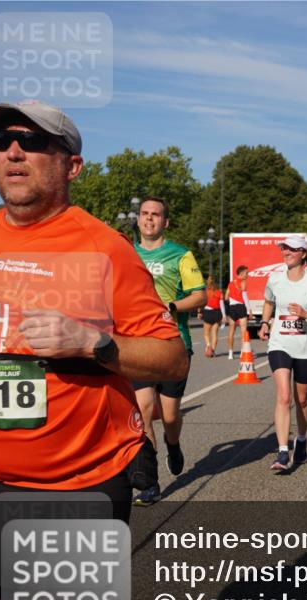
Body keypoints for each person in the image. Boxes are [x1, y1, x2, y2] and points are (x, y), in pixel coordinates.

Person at [0, 99, 187, 600]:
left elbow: (172, 360)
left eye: (33, 141)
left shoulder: (105, 249)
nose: (13, 150)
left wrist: (93, 342)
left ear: (72, 166)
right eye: (1, 141)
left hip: (77, 483)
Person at [131, 196, 207, 506]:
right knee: (143, 410)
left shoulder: (181, 255)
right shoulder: (126, 253)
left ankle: (172, 444)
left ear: (166, 222)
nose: (149, 219)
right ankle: (149, 483)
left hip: (174, 344)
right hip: (138, 344)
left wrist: (171, 306)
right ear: (138, 219)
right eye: (145, 214)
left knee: (171, 415)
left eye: (156, 215)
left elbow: (199, 296)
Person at [258, 236, 307, 471]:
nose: (285, 252)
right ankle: (281, 451)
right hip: (280, 344)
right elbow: (268, 301)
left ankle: (300, 438)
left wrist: (305, 314)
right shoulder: (275, 279)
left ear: (303, 254)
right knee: (284, 396)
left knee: (302, 399)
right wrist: (265, 322)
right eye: (284, 248)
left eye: (291, 249)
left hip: (306, 347)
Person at [225, 265, 250, 360]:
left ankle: (230, 353)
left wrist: (232, 300)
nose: (247, 275)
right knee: (243, 330)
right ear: (242, 273)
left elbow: (226, 297)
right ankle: (242, 352)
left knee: (231, 331)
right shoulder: (243, 282)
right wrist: (249, 310)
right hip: (241, 307)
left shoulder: (231, 283)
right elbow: (245, 297)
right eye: (246, 273)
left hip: (232, 307)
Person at [202, 281, 227, 358]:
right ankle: (213, 350)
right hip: (217, 313)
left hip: (208, 312)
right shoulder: (219, 292)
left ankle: (208, 346)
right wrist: (224, 315)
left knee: (206, 333)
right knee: (215, 333)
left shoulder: (206, 292)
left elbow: (202, 302)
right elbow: (222, 305)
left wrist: (199, 312)